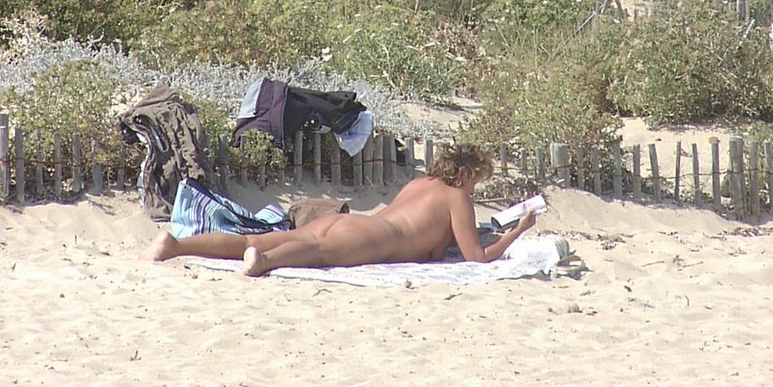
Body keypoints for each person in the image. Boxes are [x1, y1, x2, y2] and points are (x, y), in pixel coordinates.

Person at [140, 143, 537, 277]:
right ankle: (264, 262)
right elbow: (476, 257)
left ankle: (174, 246)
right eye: (476, 180)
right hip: (374, 239)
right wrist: (516, 229)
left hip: (351, 221)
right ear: (465, 175)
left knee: (254, 236)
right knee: (316, 255)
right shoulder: (456, 197)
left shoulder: (420, 184)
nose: (474, 188)